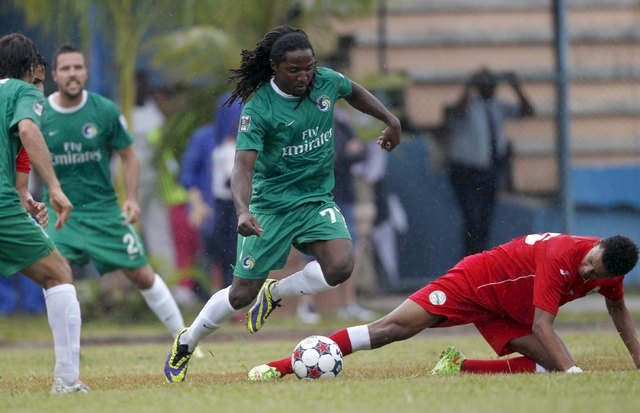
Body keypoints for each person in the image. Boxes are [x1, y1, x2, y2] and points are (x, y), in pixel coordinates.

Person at [163, 24, 401, 383]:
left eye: (309, 67)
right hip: (270, 206)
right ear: (275, 67)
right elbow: (242, 167)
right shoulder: (258, 109)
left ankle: (276, 292)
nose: (305, 76)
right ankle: (187, 341)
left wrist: (390, 119)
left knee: (340, 266)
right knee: (241, 294)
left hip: (315, 200)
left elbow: (353, 92)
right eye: (295, 70)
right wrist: (243, 210)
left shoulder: (325, 81)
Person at [248, 233, 640, 380]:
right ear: (596, 243)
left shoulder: (609, 273)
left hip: (507, 307)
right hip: (475, 281)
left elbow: (619, 311)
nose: (587, 269)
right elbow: (543, 326)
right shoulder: (561, 254)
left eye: (595, 272)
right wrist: (575, 371)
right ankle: (278, 367)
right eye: (590, 259)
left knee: (545, 365)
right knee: (390, 330)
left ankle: (458, 365)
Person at [40, 44, 186, 340]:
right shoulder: (40, 115)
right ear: (55, 75)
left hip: (104, 211)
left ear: (85, 73)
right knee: (55, 278)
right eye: (65, 68)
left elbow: (129, 155)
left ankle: (184, 340)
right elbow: (22, 159)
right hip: (59, 217)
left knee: (143, 274)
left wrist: (131, 199)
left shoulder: (105, 111)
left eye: (77, 68)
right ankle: (67, 359)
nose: (72, 73)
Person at [0, 33, 87, 394]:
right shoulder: (24, 92)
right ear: (33, 70)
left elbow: (14, 147)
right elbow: (27, 129)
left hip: (9, 198)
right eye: (40, 78)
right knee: (58, 273)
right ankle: (66, 382)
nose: (41, 87)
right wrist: (53, 186)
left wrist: (23, 194)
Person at [441, 68, 534, 256]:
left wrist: (516, 87)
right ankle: (469, 260)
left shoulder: (498, 106)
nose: (489, 88)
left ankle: (478, 259)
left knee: (484, 220)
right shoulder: (469, 105)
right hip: (465, 171)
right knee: (471, 219)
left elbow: (528, 112)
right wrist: (469, 85)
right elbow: (459, 110)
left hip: (489, 171)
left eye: (492, 84)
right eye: (485, 84)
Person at [179, 93, 243, 292]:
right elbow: (188, 173)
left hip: (238, 207)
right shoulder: (204, 138)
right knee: (210, 254)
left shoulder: (249, 138)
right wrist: (197, 204)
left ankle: (232, 300)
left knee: (235, 255)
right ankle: (206, 299)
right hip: (212, 206)